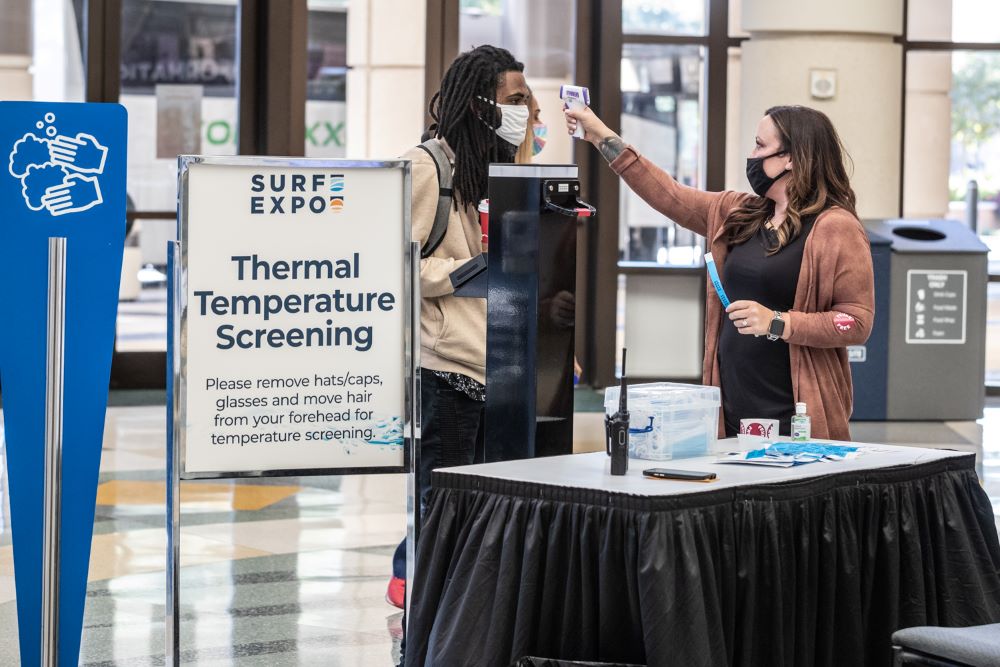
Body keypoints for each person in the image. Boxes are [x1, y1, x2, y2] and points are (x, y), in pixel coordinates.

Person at [564, 104, 874, 440]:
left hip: (797, 414)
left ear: (792, 158)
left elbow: (854, 322)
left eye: (760, 145)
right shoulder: (739, 212)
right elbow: (667, 193)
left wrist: (779, 322)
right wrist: (599, 135)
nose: (751, 156)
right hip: (730, 406)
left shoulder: (836, 228)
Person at [387, 45, 530, 609]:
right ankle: (421, 595)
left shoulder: (493, 168)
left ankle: (444, 596)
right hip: (442, 365)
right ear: (480, 105)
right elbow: (401, 262)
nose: (524, 110)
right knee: (440, 498)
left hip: (493, 364)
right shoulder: (428, 167)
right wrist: (470, 270)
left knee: (470, 496)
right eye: (514, 100)